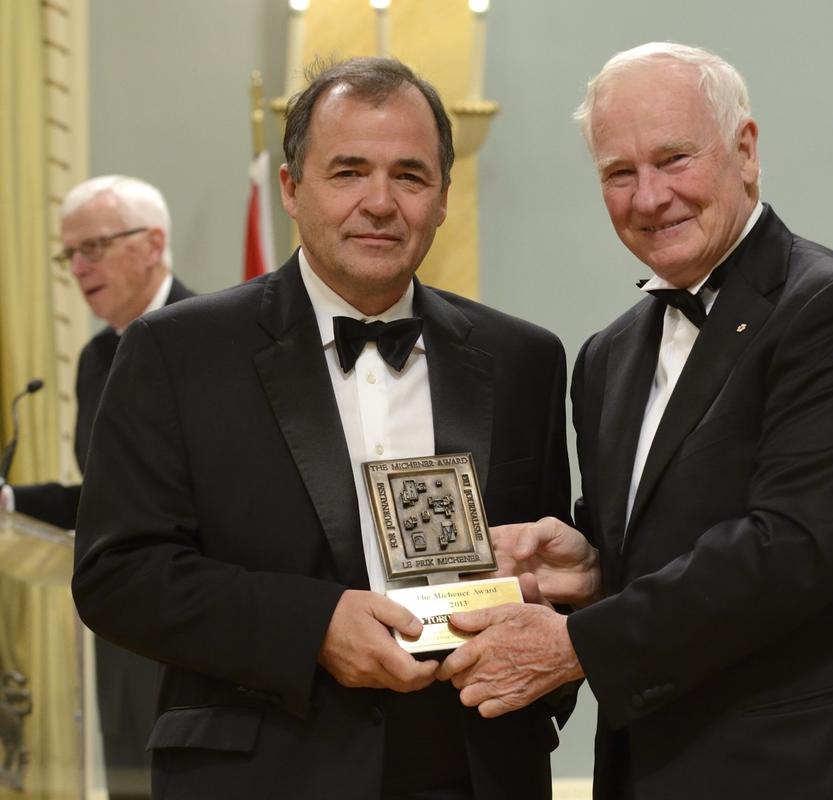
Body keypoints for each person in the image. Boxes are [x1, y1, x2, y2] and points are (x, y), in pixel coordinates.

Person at [437, 42, 833, 799]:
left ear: (745, 152)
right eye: (620, 173)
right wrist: (591, 572)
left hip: (824, 772)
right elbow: (674, 546)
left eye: (674, 159)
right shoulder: (607, 357)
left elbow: (795, 545)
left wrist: (580, 645)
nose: (649, 197)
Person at [72, 57, 571, 800]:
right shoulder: (175, 352)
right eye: (347, 172)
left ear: (442, 199)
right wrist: (313, 628)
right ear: (291, 190)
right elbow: (118, 577)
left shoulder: (523, 358)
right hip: (261, 771)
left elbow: (545, 569)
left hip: (475, 767)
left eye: (409, 175)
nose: (379, 202)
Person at [2, 175, 191, 800]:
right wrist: (14, 502)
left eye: (94, 247)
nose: (79, 267)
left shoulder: (211, 339)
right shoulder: (94, 359)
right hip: (120, 619)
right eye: (70, 254)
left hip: (198, 619)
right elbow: (106, 495)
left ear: (153, 242)